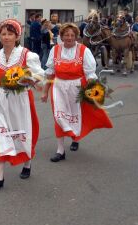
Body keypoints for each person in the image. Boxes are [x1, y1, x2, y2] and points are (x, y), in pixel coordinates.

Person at [0, 19, 43, 192]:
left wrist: (28, 80)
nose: (6, 37)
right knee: (0, 135)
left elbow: (39, 80)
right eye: (3, 34)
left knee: (23, 132)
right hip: (1, 99)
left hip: (21, 99)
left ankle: (27, 163)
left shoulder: (27, 55)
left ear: (17, 36)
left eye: (10, 34)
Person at [41, 23, 113, 161]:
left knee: (75, 115)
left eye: (72, 35)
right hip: (59, 88)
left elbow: (90, 74)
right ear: (61, 36)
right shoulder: (55, 50)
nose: (69, 37)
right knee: (59, 116)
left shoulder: (83, 50)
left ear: (76, 36)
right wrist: (45, 92)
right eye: (66, 35)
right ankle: (60, 150)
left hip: (77, 87)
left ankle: (75, 138)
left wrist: (95, 92)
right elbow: (50, 73)